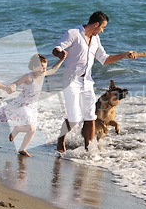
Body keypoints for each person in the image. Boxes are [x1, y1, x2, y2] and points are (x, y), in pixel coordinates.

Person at [52, 11, 138, 153]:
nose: (102, 31)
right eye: (103, 27)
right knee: (74, 117)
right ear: (96, 24)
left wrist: (123, 55)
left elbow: (104, 59)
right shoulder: (73, 33)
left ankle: (89, 148)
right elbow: (57, 48)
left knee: (90, 116)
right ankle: (61, 139)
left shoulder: (96, 39)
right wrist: (60, 53)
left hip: (87, 82)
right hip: (71, 81)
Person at [0, 54, 66, 157]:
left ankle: (22, 148)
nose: (44, 69)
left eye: (45, 67)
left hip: (33, 106)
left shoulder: (43, 74)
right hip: (23, 104)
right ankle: (17, 129)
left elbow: (54, 69)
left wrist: (62, 59)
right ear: (33, 67)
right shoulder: (28, 77)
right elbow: (16, 83)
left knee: (32, 130)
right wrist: (12, 87)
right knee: (31, 127)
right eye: (41, 67)